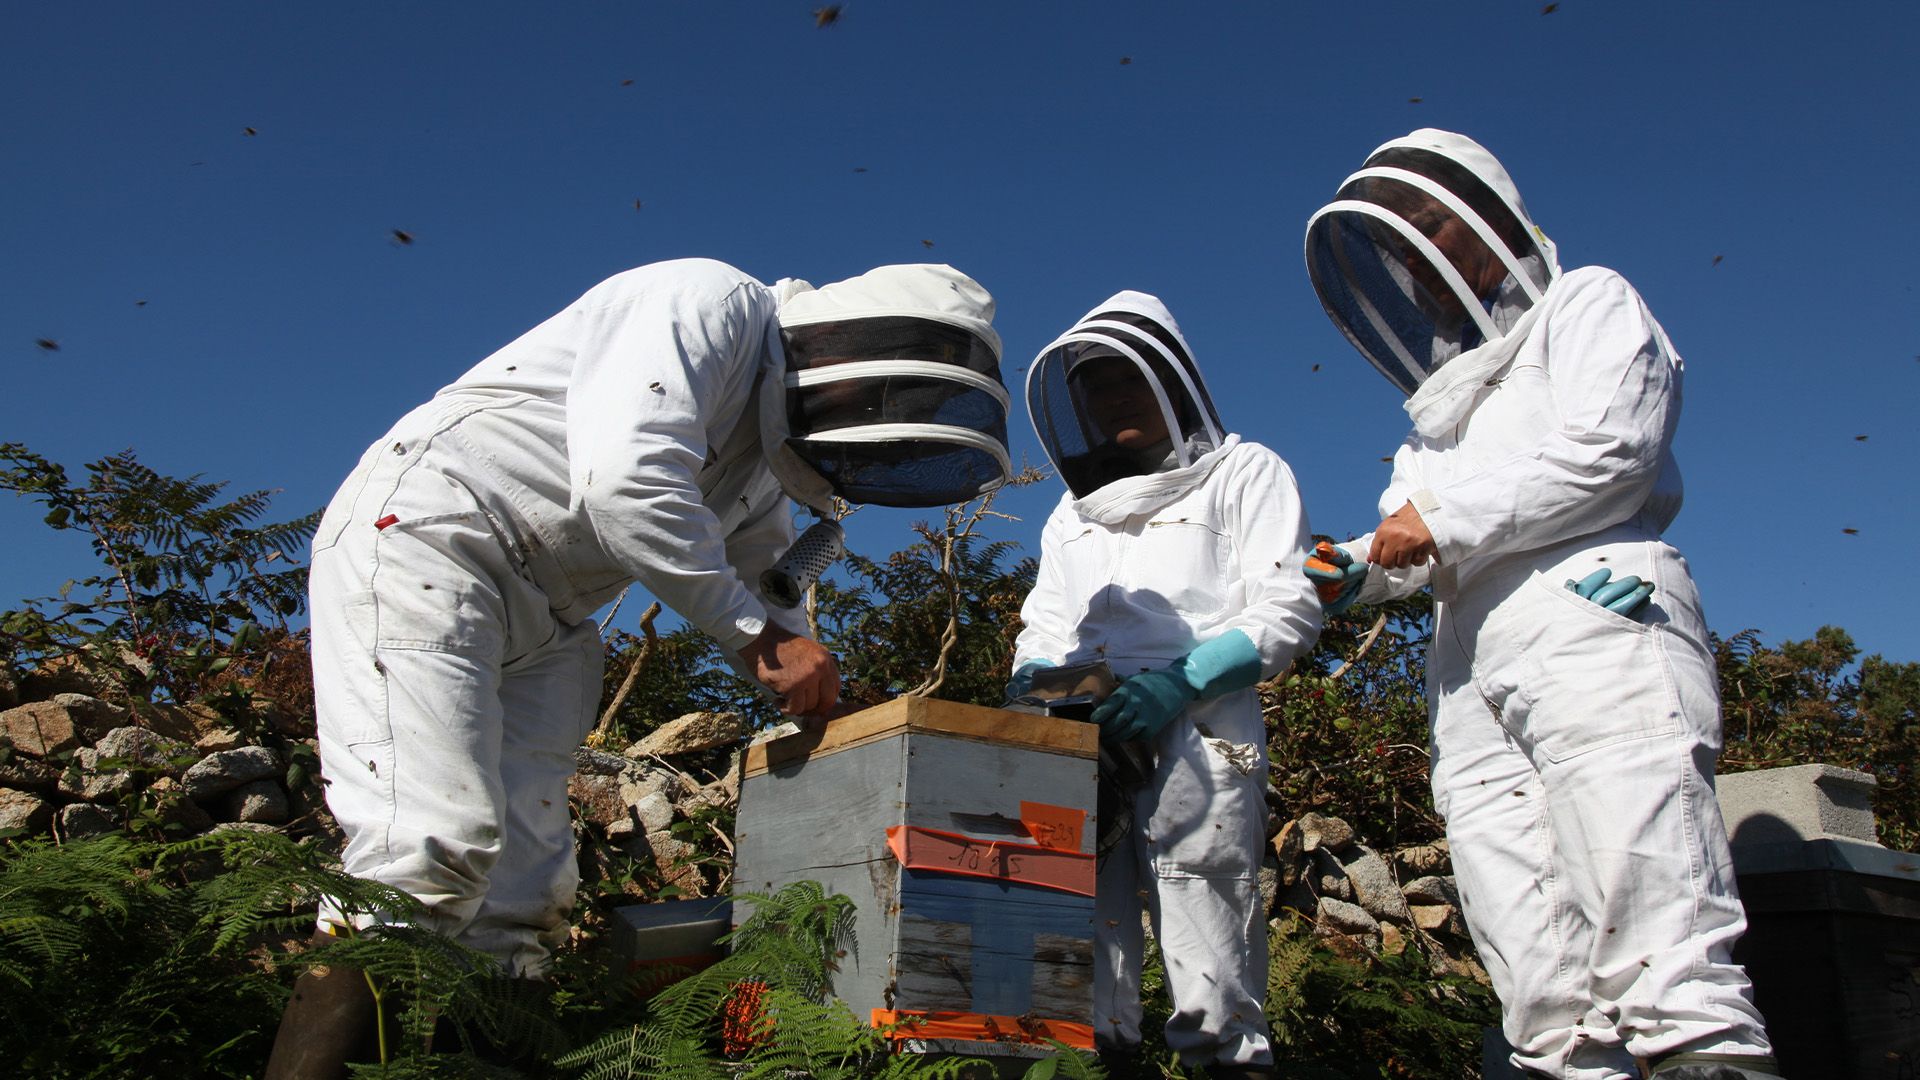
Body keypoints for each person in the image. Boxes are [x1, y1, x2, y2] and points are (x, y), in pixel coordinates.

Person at [266, 258, 1010, 1078]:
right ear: (850, 350)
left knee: (526, 897)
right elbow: (626, 483)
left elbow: (769, 578)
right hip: (433, 539)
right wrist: (762, 645)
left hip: (552, 617)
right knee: (429, 844)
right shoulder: (706, 301)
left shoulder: (757, 465)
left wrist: (818, 692)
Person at [1301, 129, 1779, 1080]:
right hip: (1470, 673)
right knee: (1534, 960)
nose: (1424, 261)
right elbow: (1407, 541)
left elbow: (1611, 452)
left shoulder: (1587, 302)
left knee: (1653, 907)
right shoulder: (1437, 422)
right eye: (1405, 249)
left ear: (1492, 222)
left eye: (1437, 227)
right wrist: (1343, 567)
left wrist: (1431, 524)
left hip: (1593, 610)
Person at [1011, 291, 1322, 1079]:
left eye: (1126, 378)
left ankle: (1226, 1064)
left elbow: (1287, 605)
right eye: (1096, 386)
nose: (1113, 397)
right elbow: (1044, 623)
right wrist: (1040, 696)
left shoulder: (1246, 473)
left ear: (1171, 382)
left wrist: (1180, 682)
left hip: (1200, 727)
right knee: (1083, 943)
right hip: (1082, 733)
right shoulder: (1071, 514)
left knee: (1208, 933)